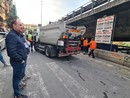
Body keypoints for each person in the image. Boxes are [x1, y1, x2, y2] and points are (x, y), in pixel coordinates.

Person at [6, 17, 28, 98]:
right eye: (19, 25)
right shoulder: (11, 35)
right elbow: (11, 52)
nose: (21, 26)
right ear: (14, 26)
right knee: (16, 79)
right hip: (18, 62)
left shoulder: (17, 35)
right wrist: (21, 60)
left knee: (18, 78)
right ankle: (17, 95)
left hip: (20, 61)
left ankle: (18, 91)